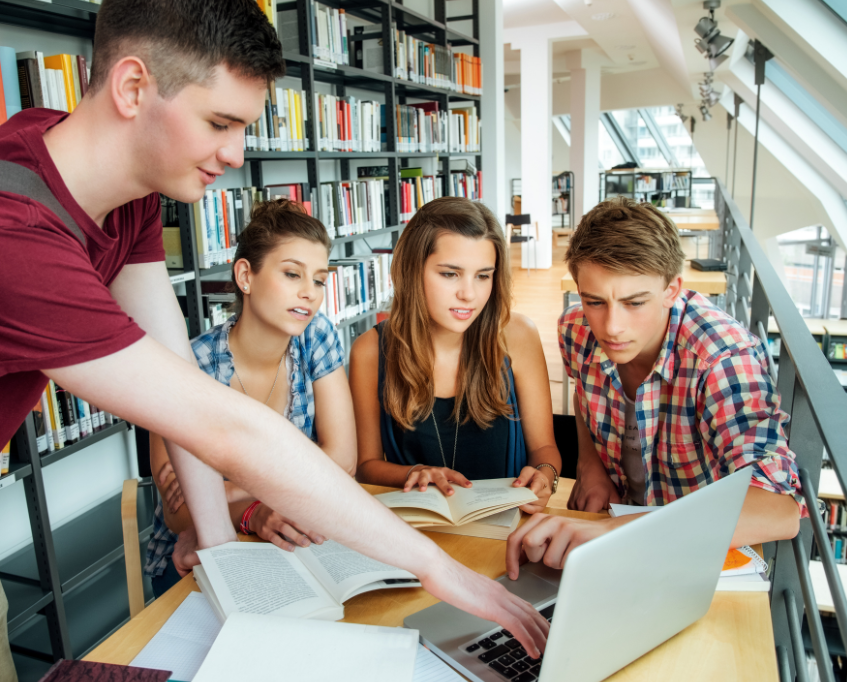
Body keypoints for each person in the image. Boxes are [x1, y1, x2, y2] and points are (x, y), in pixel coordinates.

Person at [0, 0, 549, 677]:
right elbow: (225, 428)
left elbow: (178, 377)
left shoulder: (119, 190)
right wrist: (437, 568)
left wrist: (221, 556)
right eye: (219, 123)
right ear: (131, 87)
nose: (239, 153)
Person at [507, 197, 803, 579]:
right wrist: (590, 465)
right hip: (613, 528)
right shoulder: (575, 328)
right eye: (594, 301)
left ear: (671, 289)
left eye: (635, 302)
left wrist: (613, 532)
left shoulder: (722, 357)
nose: (611, 326)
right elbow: (584, 396)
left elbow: (780, 509)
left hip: (692, 553)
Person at [145, 200, 356, 596]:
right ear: (246, 275)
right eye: (292, 274)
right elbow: (178, 512)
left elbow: (343, 461)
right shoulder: (188, 364)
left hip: (288, 532)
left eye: (319, 279)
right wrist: (252, 509)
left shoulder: (316, 335)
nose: (309, 294)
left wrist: (231, 486)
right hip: (195, 556)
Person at [350, 198, 561, 514]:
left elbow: (544, 449)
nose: (469, 294)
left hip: (507, 529)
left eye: (483, 275)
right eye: (450, 274)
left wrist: (546, 473)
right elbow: (366, 466)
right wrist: (412, 473)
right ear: (411, 270)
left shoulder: (518, 335)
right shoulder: (370, 350)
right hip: (417, 530)